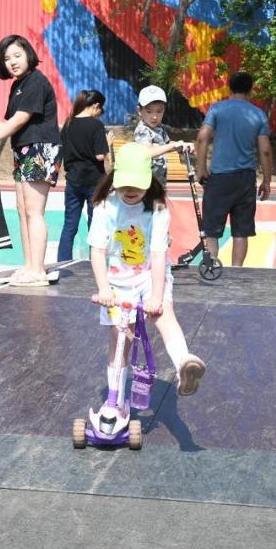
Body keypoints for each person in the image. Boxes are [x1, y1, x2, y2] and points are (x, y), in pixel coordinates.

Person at [88, 143, 206, 409]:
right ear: (115, 179)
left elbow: (158, 254)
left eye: (137, 186)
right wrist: (104, 288)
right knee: (122, 338)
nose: (131, 191)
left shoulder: (157, 209)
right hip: (117, 281)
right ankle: (115, 399)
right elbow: (97, 251)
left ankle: (184, 363)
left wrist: (156, 295)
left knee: (163, 315)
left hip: (149, 275)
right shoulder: (105, 208)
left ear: (148, 180)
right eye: (125, 186)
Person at [0, 35, 62, 287]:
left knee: (34, 211)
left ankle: (38, 270)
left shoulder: (36, 81)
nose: (12, 62)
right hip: (23, 149)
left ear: (28, 55)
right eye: (7, 58)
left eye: (17, 55)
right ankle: (29, 265)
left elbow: (19, 120)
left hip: (40, 147)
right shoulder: (19, 85)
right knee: (23, 210)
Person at [194, 71, 274, 267]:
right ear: (251, 90)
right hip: (245, 179)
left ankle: (211, 267)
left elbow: (202, 138)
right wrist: (267, 180)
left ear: (229, 88)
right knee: (241, 231)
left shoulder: (217, 109)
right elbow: (265, 151)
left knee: (212, 230)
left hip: (219, 177)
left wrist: (201, 168)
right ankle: (236, 271)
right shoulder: (258, 115)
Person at [58, 89, 111, 262]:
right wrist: (107, 143)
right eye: (101, 110)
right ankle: (95, 262)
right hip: (94, 181)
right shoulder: (96, 126)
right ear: (96, 105)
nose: (100, 114)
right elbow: (100, 156)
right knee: (95, 225)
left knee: (69, 225)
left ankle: (63, 262)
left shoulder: (68, 124)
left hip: (73, 181)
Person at [133, 85, 193, 186]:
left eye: (159, 111)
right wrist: (173, 146)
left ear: (164, 110)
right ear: (139, 111)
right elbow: (148, 152)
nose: (154, 116)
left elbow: (166, 144)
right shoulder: (142, 130)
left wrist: (183, 145)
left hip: (159, 181)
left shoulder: (159, 127)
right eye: (149, 111)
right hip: (145, 183)